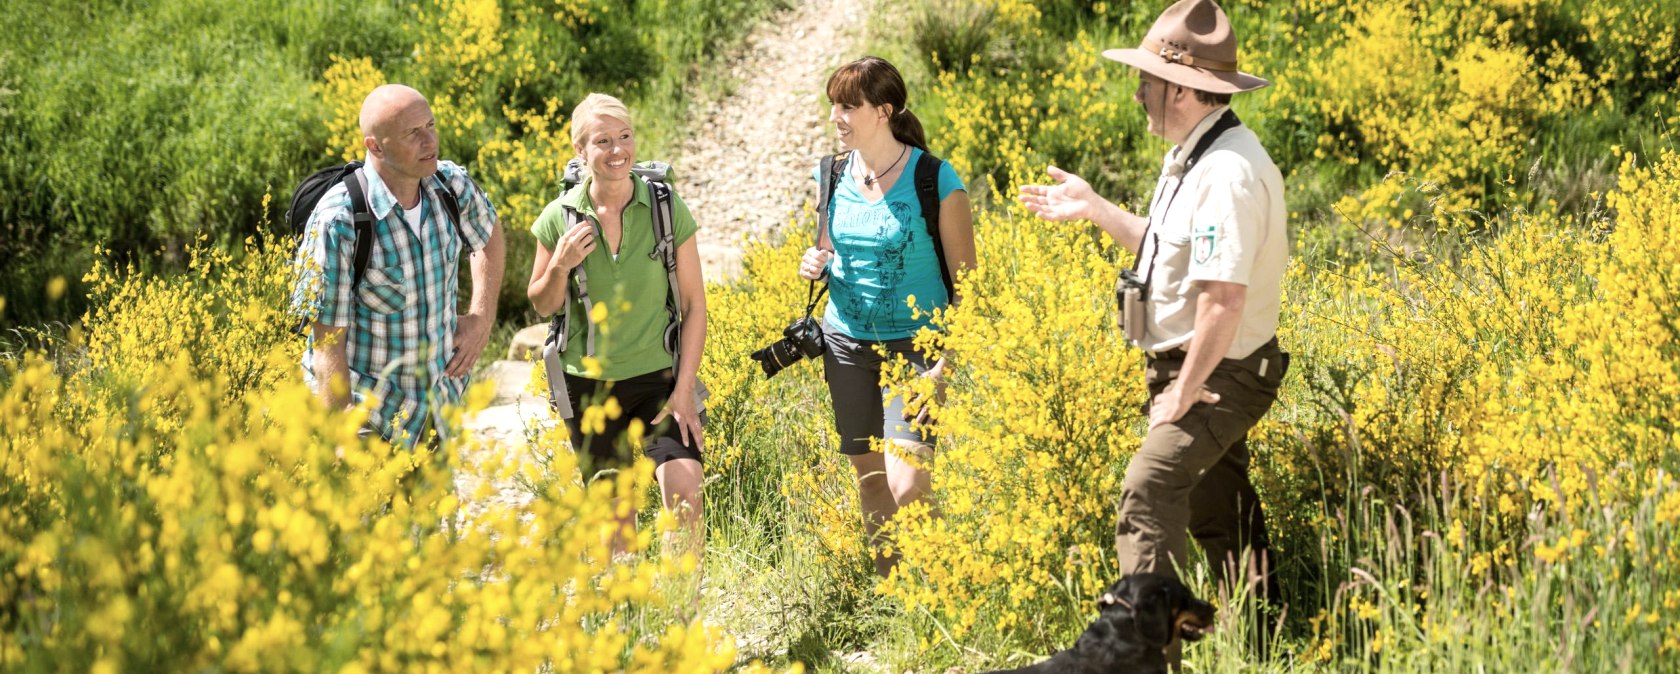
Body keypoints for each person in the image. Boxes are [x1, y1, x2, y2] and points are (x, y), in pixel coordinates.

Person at [1019, 0, 1290, 629]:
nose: (1138, 92)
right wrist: (1095, 209)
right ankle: (1266, 633)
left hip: (1221, 373)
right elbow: (1165, 247)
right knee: (1216, 505)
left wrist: (1181, 395)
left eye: (1147, 80)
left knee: (1148, 489)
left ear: (1184, 90)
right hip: (1200, 367)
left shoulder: (1226, 173)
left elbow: (1224, 300)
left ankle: (1142, 653)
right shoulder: (1197, 157)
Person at [799, 56, 977, 578]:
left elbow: (969, 288)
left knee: (909, 483)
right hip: (846, 344)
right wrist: (817, 260)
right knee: (870, 480)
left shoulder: (936, 179)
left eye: (848, 106)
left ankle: (941, 588)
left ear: (884, 111)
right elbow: (828, 246)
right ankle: (893, 597)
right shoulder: (832, 173)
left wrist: (945, 368)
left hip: (918, 348)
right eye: (834, 104)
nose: (837, 116)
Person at [527, 93, 707, 554]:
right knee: (616, 524)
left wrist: (684, 390)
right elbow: (542, 305)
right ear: (580, 153)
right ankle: (628, 620)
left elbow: (693, 304)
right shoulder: (559, 218)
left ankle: (681, 615)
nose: (617, 150)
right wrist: (561, 265)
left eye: (624, 137)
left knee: (686, 497)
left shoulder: (666, 207)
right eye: (602, 141)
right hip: (589, 386)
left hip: (659, 379)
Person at [295, 83, 506, 449]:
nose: (430, 141)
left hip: (438, 409)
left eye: (431, 125)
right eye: (413, 133)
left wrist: (481, 318)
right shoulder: (340, 222)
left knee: (431, 510)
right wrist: (341, 440)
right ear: (375, 146)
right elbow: (327, 344)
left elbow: (489, 233)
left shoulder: (450, 186)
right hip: (367, 415)